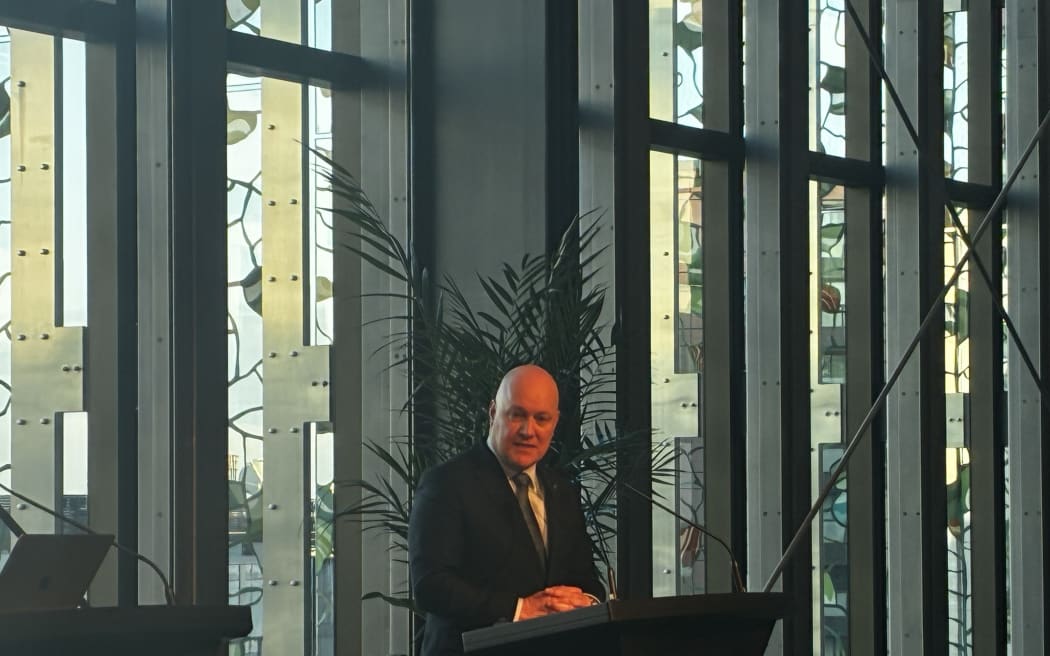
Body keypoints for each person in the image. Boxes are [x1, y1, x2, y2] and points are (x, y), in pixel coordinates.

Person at [408, 364, 606, 655]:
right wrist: (520, 609)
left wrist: (586, 601)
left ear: (555, 422)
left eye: (541, 419)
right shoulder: (446, 483)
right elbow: (431, 586)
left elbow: (585, 578)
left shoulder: (561, 490)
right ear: (493, 413)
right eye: (517, 415)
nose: (528, 430)